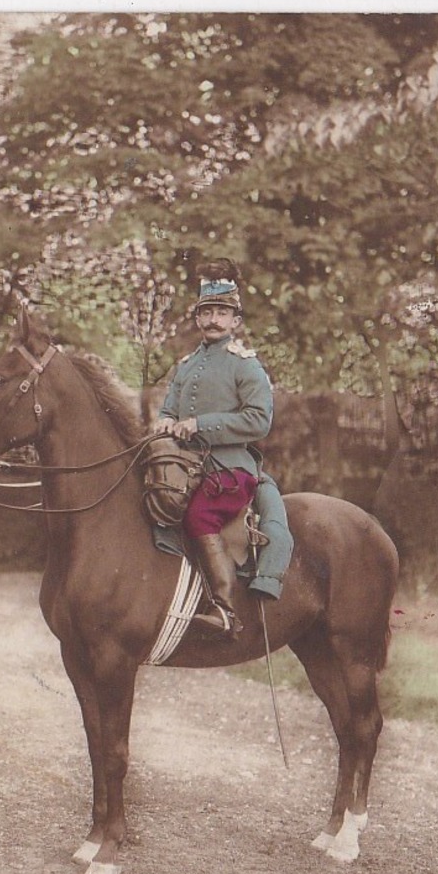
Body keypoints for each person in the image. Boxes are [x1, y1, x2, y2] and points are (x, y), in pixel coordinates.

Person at [152, 260, 293, 637]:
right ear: (198, 318)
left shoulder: (245, 366)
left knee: (199, 516)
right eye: (207, 312)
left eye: (222, 313)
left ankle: (226, 610)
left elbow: (258, 421)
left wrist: (201, 425)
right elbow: (170, 406)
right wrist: (166, 420)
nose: (214, 319)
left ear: (236, 322)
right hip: (185, 466)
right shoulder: (186, 365)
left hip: (230, 470)